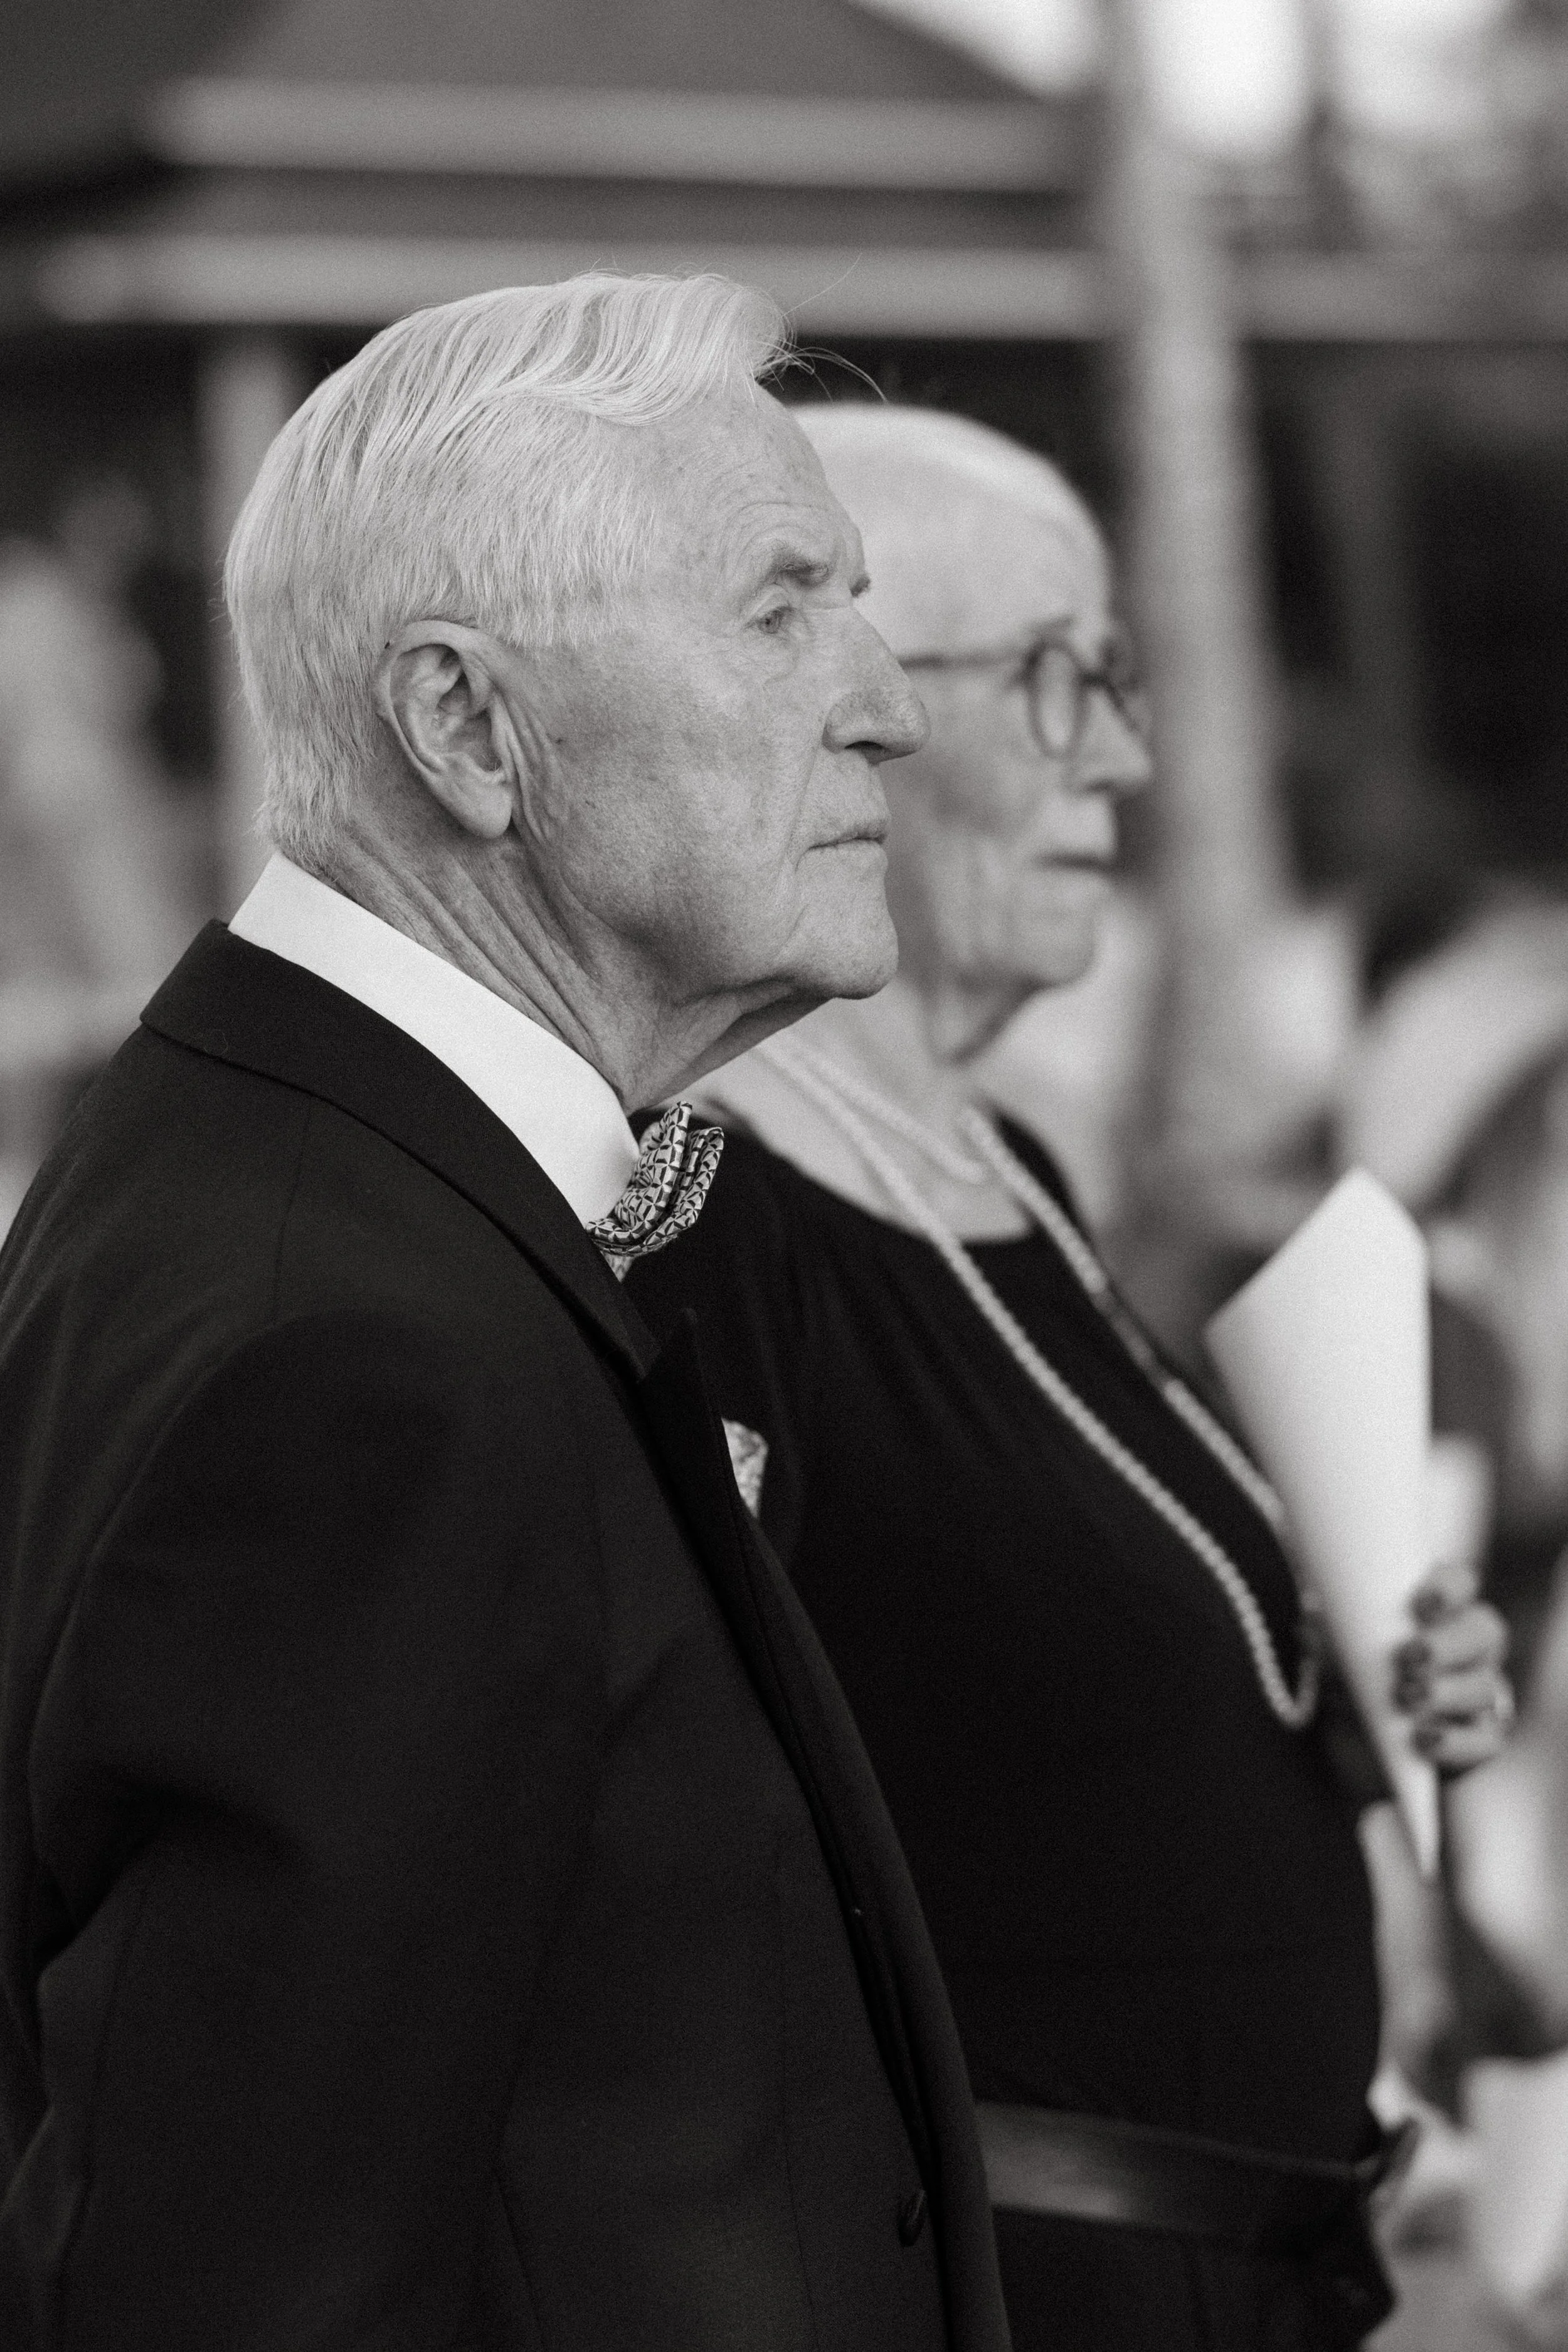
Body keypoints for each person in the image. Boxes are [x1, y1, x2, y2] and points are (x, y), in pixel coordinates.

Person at [0, 283, 1014, 2352]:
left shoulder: (315, 1189)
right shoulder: (355, 1352)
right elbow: (240, 2284)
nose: (886, 707)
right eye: (780, 610)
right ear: (468, 729)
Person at [628, 404, 1513, 2352]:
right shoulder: (700, 1201)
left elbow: (1042, 1683)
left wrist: (1335, 1691)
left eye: (1114, 680)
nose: (1118, 753)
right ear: (842, 706)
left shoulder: (1010, 1161)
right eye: (1053, 677)